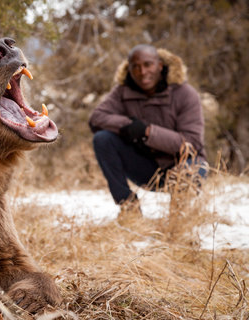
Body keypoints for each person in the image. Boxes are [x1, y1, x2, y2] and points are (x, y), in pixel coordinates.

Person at [89, 44, 208, 222]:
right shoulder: (122, 91)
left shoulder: (185, 93)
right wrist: (128, 126)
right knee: (102, 139)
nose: (142, 71)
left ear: (160, 65)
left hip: (184, 165)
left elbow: (191, 144)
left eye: (148, 64)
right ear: (129, 69)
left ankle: (178, 221)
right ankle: (129, 207)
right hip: (146, 168)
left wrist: (147, 132)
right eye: (135, 66)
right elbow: (96, 118)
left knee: (192, 168)